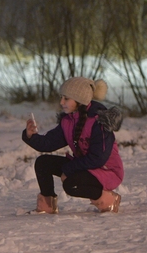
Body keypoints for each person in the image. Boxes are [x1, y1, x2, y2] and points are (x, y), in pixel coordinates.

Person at [22, 77, 124, 213]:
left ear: (79, 100)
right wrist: (30, 136)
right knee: (43, 163)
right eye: (61, 97)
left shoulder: (99, 122)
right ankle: (47, 206)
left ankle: (108, 200)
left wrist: (69, 169)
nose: (61, 102)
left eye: (66, 98)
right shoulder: (68, 121)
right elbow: (49, 143)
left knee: (71, 184)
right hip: (85, 166)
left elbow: (98, 158)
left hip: (106, 170)